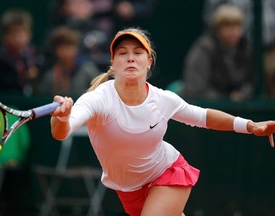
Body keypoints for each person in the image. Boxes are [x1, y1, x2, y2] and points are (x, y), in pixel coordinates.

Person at [49, 27, 275, 216]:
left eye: (137, 53)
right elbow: (62, 131)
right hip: (128, 190)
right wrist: (61, 118)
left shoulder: (162, 99)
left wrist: (251, 126)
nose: (130, 57)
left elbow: (203, 116)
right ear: (113, 62)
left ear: (148, 62)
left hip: (167, 172)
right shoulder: (98, 99)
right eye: (122, 53)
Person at [180, 4, 254, 101]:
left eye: (236, 26)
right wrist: (227, 99)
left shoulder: (245, 48)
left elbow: (252, 82)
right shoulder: (204, 48)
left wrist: (242, 94)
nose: (233, 32)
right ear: (217, 29)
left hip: (234, 109)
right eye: (227, 26)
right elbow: (195, 87)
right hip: (204, 107)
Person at [0, 9, 40, 96]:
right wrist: (25, 77)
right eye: (15, 33)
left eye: (24, 32)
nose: (20, 38)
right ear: (4, 36)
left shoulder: (33, 56)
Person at [38, 26, 100, 97]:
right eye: (61, 48)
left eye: (69, 47)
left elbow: (99, 90)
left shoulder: (87, 70)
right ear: (55, 50)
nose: (66, 52)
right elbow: (42, 96)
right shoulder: (50, 75)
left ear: (76, 48)